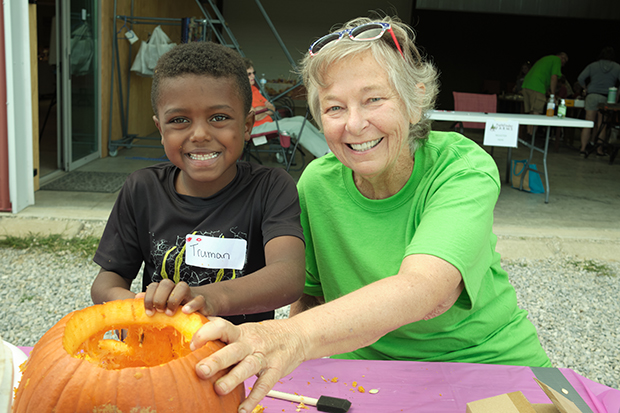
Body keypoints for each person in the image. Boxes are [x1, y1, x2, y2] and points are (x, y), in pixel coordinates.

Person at [189, 16, 551, 412]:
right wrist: (300, 358)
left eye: (374, 99)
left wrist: (289, 336)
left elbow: (426, 291)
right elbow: (311, 297)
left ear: (414, 102)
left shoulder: (461, 168)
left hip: (487, 367)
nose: (355, 124)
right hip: (362, 374)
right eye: (334, 108)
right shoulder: (317, 183)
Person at [91, 41, 306, 325]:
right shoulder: (142, 189)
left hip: (241, 355)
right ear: (160, 129)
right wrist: (138, 307)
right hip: (163, 353)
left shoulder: (271, 188)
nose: (200, 134)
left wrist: (204, 299)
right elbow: (105, 282)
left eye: (219, 117)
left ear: (246, 125)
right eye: (180, 120)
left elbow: (288, 276)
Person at [243, 58, 330, 159]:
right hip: (255, 128)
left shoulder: (254, 89)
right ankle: (326, 154)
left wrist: (261, 109)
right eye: (249, 74)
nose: (253, 76)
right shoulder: (242, 92)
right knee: (296, 127)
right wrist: (266, 109)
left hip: (268, 123)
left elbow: (272, 108)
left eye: (253, 73)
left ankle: (329, 146)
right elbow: (254, 117)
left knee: (301, 120)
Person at [577, 47, 620, 156]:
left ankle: (582, 148)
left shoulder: (593, 65)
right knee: (602, 124)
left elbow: (580, 78)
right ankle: (599, 150)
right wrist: (617, 95)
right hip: (607, 98)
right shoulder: (617, 67)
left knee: (588, 122)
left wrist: (585, 88)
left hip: (592, 95)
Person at [521, 52, 569, 134]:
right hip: (537, 87)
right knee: (537, 112)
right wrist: (553, 95)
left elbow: (543, 75)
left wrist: (548, 91)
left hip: (527, 85)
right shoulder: (557, 60)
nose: (562, 66)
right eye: (563, 63)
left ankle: (529, 135)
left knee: (531, 113)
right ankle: (532, 137)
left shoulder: (547, 59)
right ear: (563, 59)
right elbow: (553, 77)